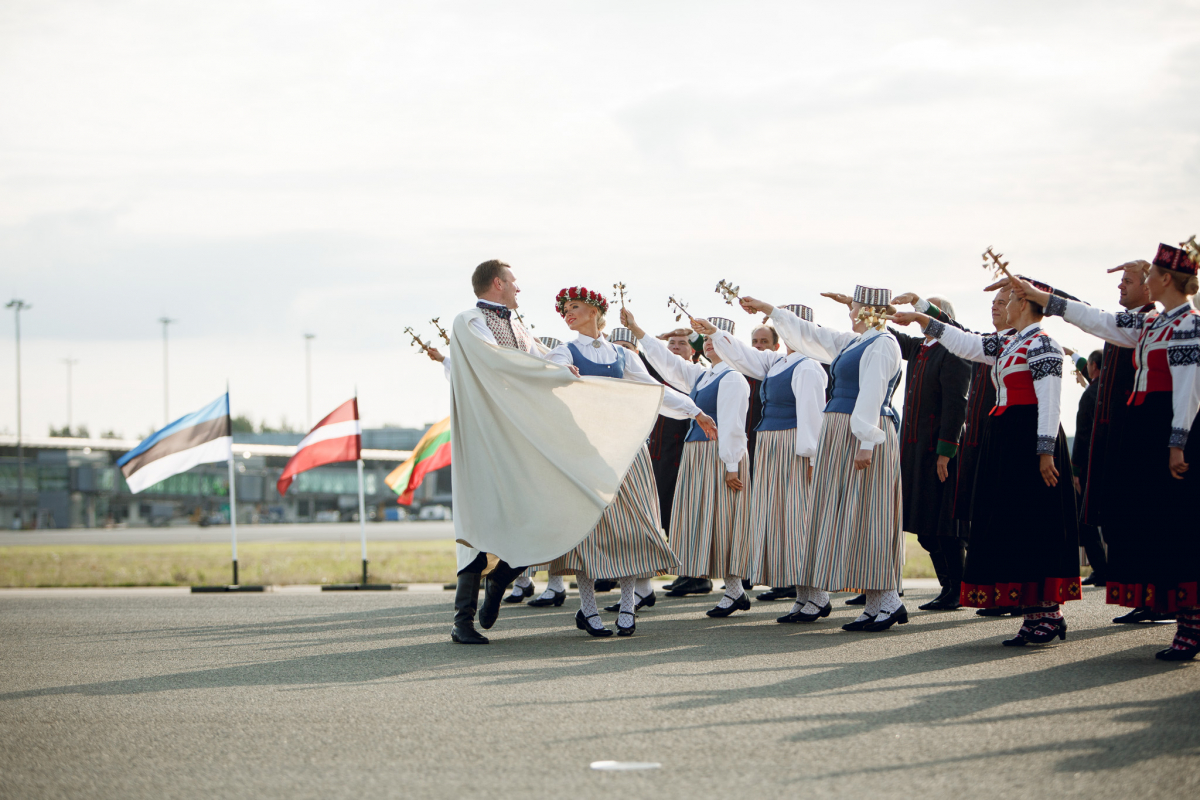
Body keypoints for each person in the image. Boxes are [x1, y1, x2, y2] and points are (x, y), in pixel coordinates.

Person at [425, 260, 662, 645]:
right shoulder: (467, 320)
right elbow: (498, 361)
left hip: (523, 429)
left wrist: (568, 368)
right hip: (488, 431)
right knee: (482, 514)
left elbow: (539, 358)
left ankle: (501, 578)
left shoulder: (518, 324)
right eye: (514, 282)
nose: (519, 288)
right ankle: (462, 620)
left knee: (542, 505)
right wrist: (556, 371)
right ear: (498, 283)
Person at [1016, 241, 1200, 660]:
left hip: (1172, 428)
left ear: (1166, 279)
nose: (1144, 279)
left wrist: (1178, 442)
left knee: (1179, 527)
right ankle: (1179, 615)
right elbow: (1094, 319)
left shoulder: (1188, 324)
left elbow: (1189, 390)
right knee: (1154, 523)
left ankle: (1191, 623)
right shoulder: (1150, 324)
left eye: (1149, 274)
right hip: (1147, 430)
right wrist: (1042, 296)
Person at [891, 276, 1082, 646]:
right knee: (1012, 524)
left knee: (1036, 523)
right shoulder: (1008, 342)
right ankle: (1032, 613)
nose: (1001, 306)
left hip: (1031, 438)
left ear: (1023, 303)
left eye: (1006, 299)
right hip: (1006, 437)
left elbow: (1050, 402)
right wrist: (923, 319)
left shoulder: (1043, 344)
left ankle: (1050, 612)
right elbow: (965, 342)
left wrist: (1045, 452)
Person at [540, 291, 715, 636]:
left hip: (626, 448)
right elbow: (545, 374)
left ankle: (626, 604)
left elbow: (654, 390)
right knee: (590, 529)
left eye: (574, 307)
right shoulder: (564, 351)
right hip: (587, 449)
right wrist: (559, 373)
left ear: (594, 311)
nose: (568, 314)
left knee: (631, 526)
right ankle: (587, 608)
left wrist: (694, 411)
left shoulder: (621, 354)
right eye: (565, 310)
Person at [739, 286, 907, 632]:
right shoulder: (855, 342)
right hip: (843, 429)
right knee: (850, 515)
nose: (849, 312)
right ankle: (877, 602)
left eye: (854, 307)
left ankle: (888, 600)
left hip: (863, 432)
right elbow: (811, 334)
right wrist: (769, 307)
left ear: (868, 311)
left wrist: (866, 442)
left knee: (868, 513)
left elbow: (873, 392)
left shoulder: (882, 343)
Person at [622, 308, 755, 618]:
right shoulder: (706, 375)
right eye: (705, 341)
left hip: (719, 456)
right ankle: (735, 591)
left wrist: (732, 465)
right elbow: (671, 365)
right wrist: (639, 331)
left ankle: (735, 590)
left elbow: (734, 426)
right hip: (697, 454)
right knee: (707, 521)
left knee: (724, 521)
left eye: (714, 340)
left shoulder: (734, 377)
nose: (708, 345)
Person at [703, 306, 830, 622]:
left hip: (794, 446)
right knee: (781, 521)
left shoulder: (809, 366)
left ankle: (819, 596)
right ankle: (803, 596)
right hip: (773, 445)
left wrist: (813, 457)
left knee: (799, 520)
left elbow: (812, 416)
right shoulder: (779, 362)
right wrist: (714, 333)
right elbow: (745, 357)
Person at [1073, 261, 1169, 624]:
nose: (1120, 287)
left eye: (1127, 281)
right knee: (1120, 525)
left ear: (1149, 287)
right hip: (1112, 444)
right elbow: (1083, 309)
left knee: (1143, 524)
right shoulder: (1122, 324)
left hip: (1139, 440)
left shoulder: (1151, 325)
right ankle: (1143, 598)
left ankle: (1159, 601)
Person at [884, 293, 971, 612]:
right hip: (916, 449)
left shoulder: (954, 350)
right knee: (924, 525)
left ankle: (956, 587)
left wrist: (946, 451)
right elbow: (893, 335)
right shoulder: (924, 348)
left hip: (939, 450)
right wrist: (877, 313)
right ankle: (949, 585)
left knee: (944, 525)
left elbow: (956, 405)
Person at [1071, 349, 1110, 587]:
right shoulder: (1110, 389)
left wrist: (1075, 471)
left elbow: (1083, 436)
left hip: (1089, 467)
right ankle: (1110, 568)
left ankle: (1101, 568)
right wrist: (1073, 354)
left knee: (1085, 520)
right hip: (1111, 463)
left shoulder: (1089, 395)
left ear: (1094, 367)